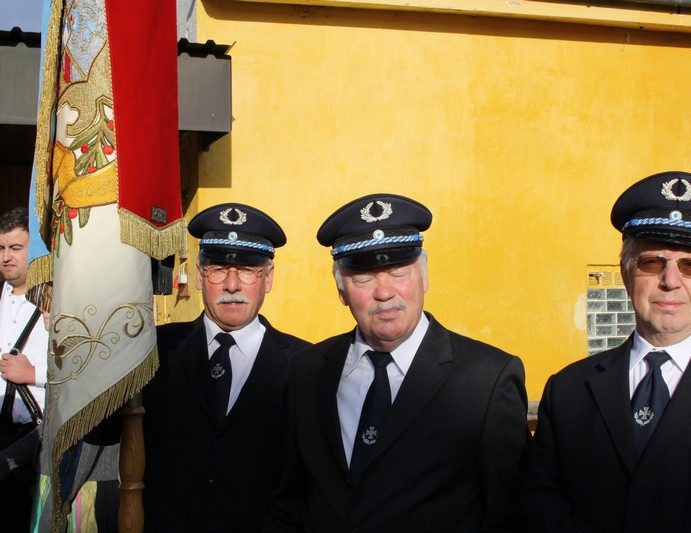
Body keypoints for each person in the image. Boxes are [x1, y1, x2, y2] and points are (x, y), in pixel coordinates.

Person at [521, 171, 691, 531]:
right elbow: (540, 500)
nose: (670, 281)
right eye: (652, 263)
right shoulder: (567, 390)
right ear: (626, 274)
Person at [268, 193, 529, 531]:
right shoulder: (308, 370)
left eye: (398, 272)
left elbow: (510, 515)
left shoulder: (487, 380)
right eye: (363, 278)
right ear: (342, 291)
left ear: (424, 277)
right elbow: (290, 499)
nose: (384, 292)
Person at [142, 203, 310, 532]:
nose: (232, 285)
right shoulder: (154, 350)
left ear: (268, 278)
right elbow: (104, 434)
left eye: (247, 270)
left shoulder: (304, 366)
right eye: (218, 269)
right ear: (200, 275)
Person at [0, 207, 49, 531]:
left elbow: (82, 368)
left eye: (15, 248)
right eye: (1, 248)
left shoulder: (57, 302)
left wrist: (34, 374)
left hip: (35, 443)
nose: (6, 257)